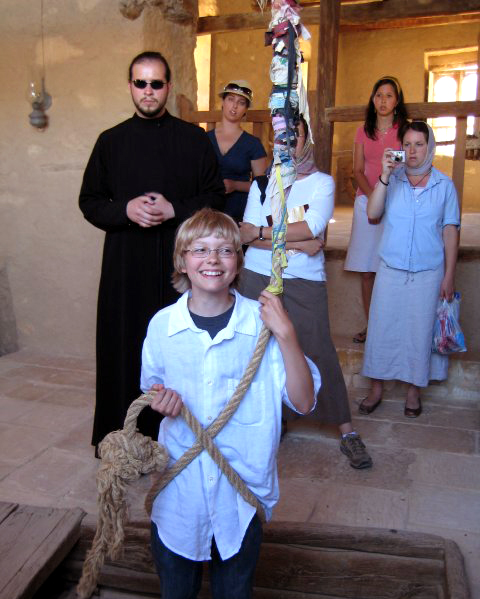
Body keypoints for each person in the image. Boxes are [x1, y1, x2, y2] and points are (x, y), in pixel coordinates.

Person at [141, 208, 320, 599]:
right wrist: (161, 403)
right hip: (180, 491)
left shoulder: (262, 325)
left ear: (238, 262)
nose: (212, 259)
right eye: (200, 250)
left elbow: (303, 400)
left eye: (224, 250)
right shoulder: (162, 326)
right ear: (182, 261)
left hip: (241, 493)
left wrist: (287, 334)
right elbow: (152, 387)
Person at [79, 51, 225, 454]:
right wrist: (125, 210)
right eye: (140, 83)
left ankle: (179, 442)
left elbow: (215, 197)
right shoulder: (110, 141)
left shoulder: (194, 139)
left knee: (177, 349)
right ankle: (121, 438)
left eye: (156, 83)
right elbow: (90, 201)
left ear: (168, 87)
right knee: (124, 348)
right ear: (130, 86)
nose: (148, 91)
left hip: (178, 269)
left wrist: (175, 209)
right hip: (124, 268)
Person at [239, 116, 373, 470]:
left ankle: (346, 430)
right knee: (257, 349)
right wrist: (299, 242)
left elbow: (311, 226)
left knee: (317, 348)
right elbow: (246, 235)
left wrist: (264, 233)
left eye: (294, 136)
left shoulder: (322, 183)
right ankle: (275, 419)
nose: (287, 143)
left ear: (306, 140)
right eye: (281, 136)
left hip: (303, 279)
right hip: (257, 275)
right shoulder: (262, 182)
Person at [360, 121, 460, 417]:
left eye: (419, 144)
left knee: (420, 331)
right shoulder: (393, 180)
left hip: (429, 271)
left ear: (430, 147)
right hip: (391, 268)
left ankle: (414, 391)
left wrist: (449, 275)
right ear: (400, 147)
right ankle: (376, 388)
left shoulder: (444, 185)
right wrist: (384, 175)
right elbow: (372, 213)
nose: (413, 151)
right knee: (381, 329)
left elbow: (450, 231)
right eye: (407, 144)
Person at [344, 76, 408, 344]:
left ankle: (392, 327)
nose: (383, 100)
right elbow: (358, 170)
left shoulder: (405, 131)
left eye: (389, 96)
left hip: (399, 203)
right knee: (368, 270)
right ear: (372, 100)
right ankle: (372, 326)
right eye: (379, 95)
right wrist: (374, 198)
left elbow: (409, 166)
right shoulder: (363, 131)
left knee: (392, 267)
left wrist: (386, 200)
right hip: (367, 201)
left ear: (397, 101)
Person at [207, 80, 268, 223]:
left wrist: (235, 185)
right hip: (208, 211)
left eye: (241, 103)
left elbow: (262, 186)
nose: (234, 106)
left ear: (246, 109)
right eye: (230, 99)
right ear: (222, 102)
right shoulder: (204, 139)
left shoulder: (253, 144)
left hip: (239, 212)